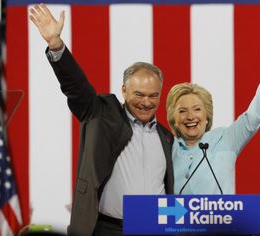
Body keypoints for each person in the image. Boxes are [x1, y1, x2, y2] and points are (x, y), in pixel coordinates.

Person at [29, 4, 174, 236]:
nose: (146, 102)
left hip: (154, 228)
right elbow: (76, 88)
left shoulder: (166, 137)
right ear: (124, 90)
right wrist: (56, 46)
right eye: (139, 94)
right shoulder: (100, 113)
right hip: (107, 229)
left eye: (153, 95)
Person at [166, 35, 260, 195]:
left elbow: (252, 117)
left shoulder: (225, 139)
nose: (190, 116)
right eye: (182, 111)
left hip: (219, 219)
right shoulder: (165, 149)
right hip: (175, 219)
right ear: (174, 119)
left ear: (207, 117)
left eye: (197, 109)